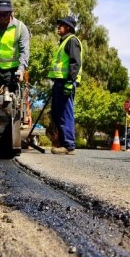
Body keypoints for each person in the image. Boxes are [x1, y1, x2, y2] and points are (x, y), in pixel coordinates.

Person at [49, 16, 82, 155]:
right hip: (59, 82)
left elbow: (75, 62)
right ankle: (62, 144)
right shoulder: (63, 42)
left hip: (66, 82)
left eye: (61, 24)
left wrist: (70, 82)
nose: (58, 26)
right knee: (57, 113)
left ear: (68, 27)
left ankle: (69, 145)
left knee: (65, 114)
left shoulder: (72, 41)